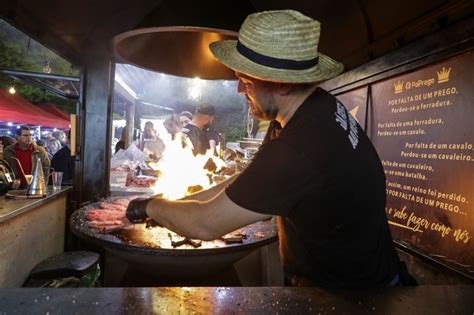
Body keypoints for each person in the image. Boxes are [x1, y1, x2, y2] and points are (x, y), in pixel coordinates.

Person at [121, 10, 407, 288]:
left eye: (246, 82)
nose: (239, 91)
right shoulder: (307, 108)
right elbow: (244, 182)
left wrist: (147, 206)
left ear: (282, 84)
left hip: (356, 297)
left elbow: (205, 226)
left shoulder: (301, 146)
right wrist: (175, 204)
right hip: (343, 279)